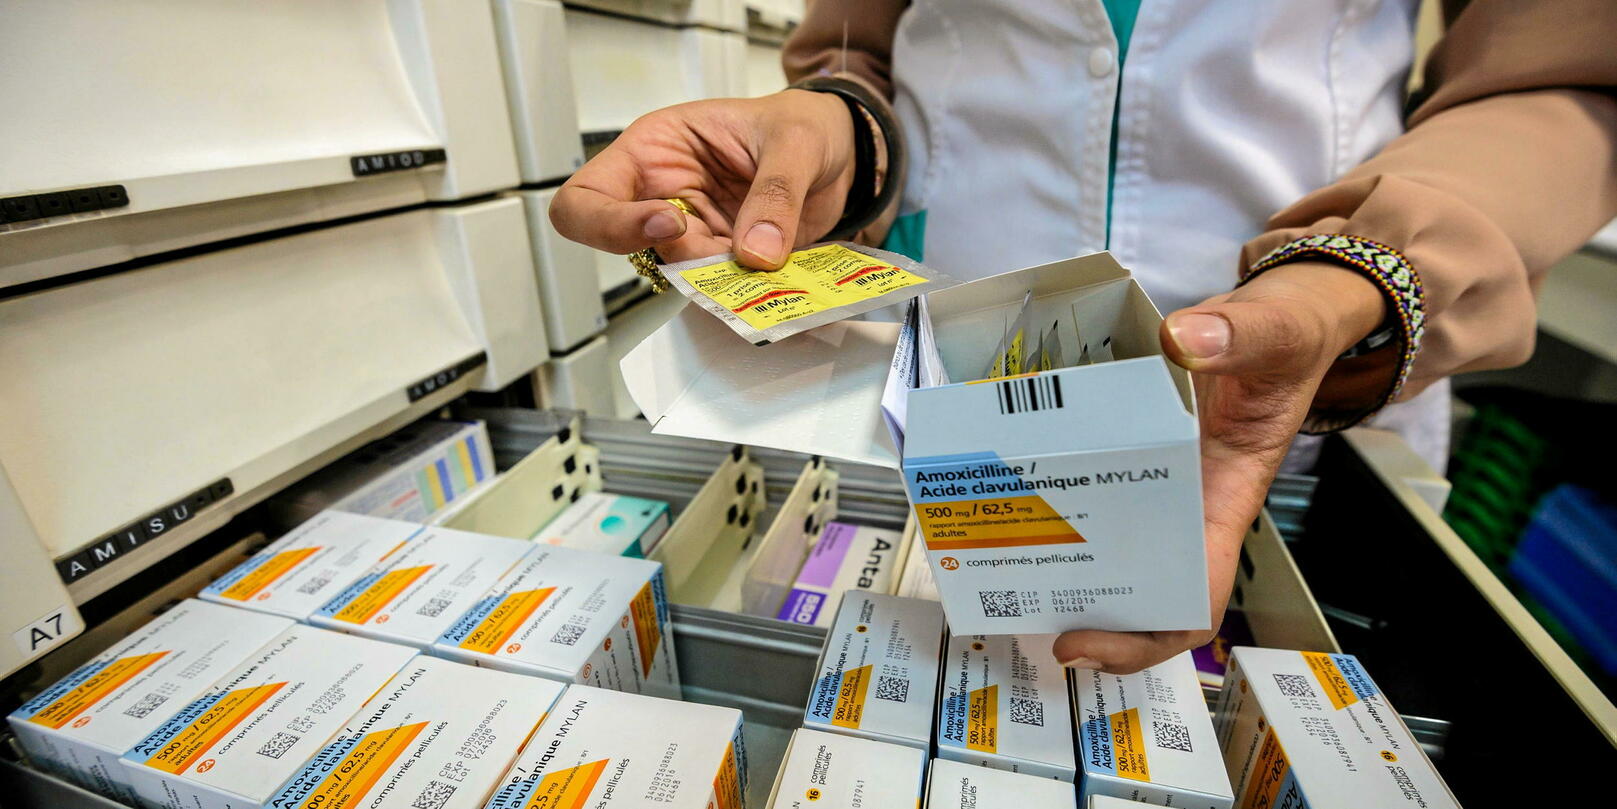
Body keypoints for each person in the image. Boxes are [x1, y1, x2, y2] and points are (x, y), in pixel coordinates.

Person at [550, 0, 1617, 673]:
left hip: (1305, 385)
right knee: (972, 673)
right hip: (965, 400)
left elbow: (1559, 75)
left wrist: (1366, 272)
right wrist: (836, 128)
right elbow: (858, 47)